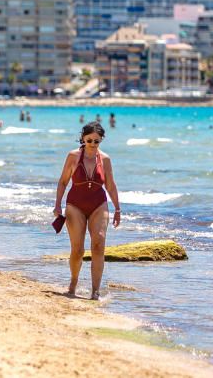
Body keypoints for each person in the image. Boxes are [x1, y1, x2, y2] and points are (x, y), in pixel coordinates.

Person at [53, 122, 121, 300]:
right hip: (75, 205)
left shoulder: (105, 159)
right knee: (78, 250)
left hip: (99, 204)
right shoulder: (73, 156)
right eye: (89, 140)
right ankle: (74, 282)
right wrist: (57, 204)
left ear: (101, 141)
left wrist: (118, 209)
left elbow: (111, 186)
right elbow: (62, 182)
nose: (92, 144)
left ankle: (95, 291)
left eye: (96, 141)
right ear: (83, 138)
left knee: (98, 245)